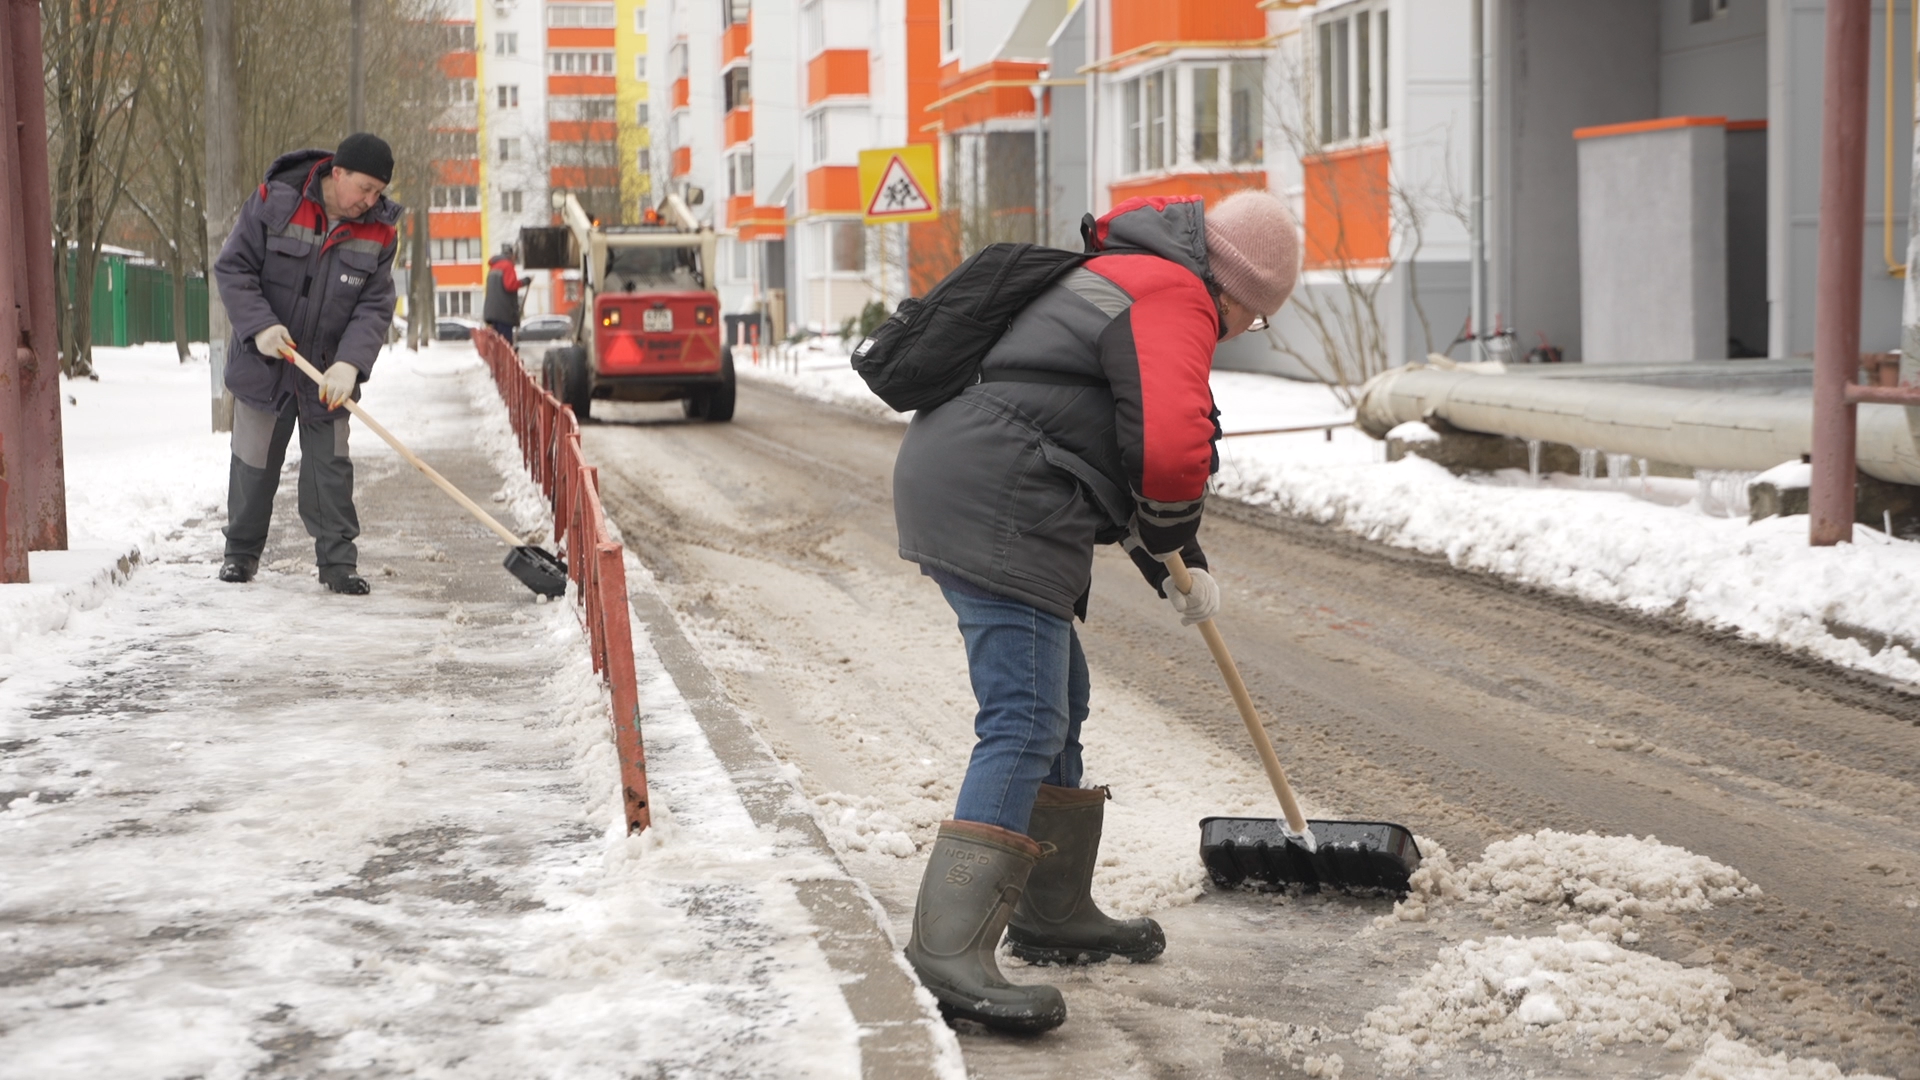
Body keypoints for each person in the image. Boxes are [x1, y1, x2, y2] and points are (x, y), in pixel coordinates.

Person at [891, 190, 1300, 1033]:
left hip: (987, 484)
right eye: (1251, 320)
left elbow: (1108, 437)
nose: (1235, 333)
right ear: (1238, 290)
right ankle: (947, 948)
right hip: (999, 501)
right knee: (1025, 714)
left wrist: (1178, 564)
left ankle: (1051, 909)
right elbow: (1168, 447)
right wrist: (1173, 524)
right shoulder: (1173, 293)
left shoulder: (1129, 275)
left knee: (1058, 698)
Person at [214, 132, 403, 595]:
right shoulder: (273, 203)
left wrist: (351, 365)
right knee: (253, 463)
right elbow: (233, 267)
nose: (370, 200)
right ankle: (240, 555)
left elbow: (374, 306)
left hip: (326, 372)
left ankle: (338, 565)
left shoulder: (380, 231)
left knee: (330, 469)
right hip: (267, 363)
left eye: (378, 192)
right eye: (364, 188)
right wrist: (259, 326)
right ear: (337, 173)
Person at [483, 245, 529, 342]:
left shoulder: (493, 267)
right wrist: (524, 282)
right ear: (511, 255)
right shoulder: (507, 265)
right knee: (505, 344)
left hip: (492, 312)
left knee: (497, 344)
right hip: (503, 313)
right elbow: (510, 285)